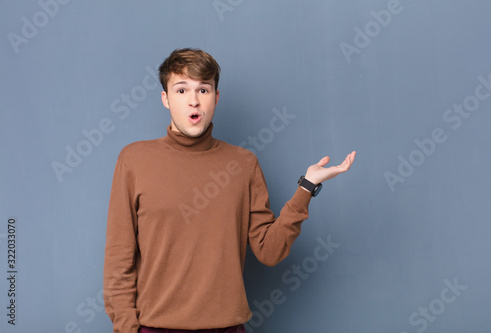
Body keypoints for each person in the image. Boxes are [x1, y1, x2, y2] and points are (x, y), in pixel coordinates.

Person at [103, 48, 356, 333]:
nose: (194, 101)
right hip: (154, 327)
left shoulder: (243, 164)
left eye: (203, 89)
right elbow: (118, 260)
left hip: (227, 327)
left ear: (216, 97)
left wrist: (306, 187)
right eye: (182, 90)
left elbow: (269, 251)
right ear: (165, 99)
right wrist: (126, 329)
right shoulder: (135, 161)